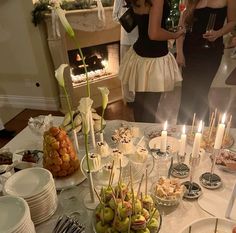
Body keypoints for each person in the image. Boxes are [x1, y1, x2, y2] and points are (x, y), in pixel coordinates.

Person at [118, 0, 185, 122]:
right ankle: (146, 137)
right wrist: (175, 35)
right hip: (155, 57)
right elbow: (154, 34)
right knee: (150, 107)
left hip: (139, 55)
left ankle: (139, 135)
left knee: (140, 103)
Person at [176, 0, 236, 125]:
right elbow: (182, 25)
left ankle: (201, 133)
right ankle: (186, 131)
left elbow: (233, 21)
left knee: (201, 91)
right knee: (187, 93)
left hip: (211, 52)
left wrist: (219, 33)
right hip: (190, 51)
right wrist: (179, 52)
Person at [112, 0, 138, 103]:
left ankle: (139, 96)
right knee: (126, 70)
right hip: (126, 38)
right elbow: (114, 16)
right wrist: (127, 18)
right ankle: (129, 99)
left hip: (141, 38)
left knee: (138, 70)